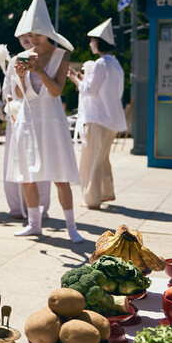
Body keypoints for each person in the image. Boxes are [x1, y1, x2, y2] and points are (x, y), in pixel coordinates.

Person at [6, 0, 83, 242]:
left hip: (51, 120)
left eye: (36, 35)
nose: (32, 40)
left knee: (60, 175)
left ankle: (71, 226)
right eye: (29, 35)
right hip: (29, 119)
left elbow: (56, 90)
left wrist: (39, 70)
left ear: (47, 33)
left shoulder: (61, 56)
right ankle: (34, 223)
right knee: (27, 175)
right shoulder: (22, 57)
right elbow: (21, 94)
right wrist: (20, 75)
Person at [68, 18, 128, 209]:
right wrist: (84, 80)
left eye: (92, 40)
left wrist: (75, 80)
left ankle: (92, 199)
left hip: (97, 118)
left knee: (91, 159)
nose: (90, 44)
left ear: (99, 42)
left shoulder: (101, 64)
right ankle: (106, 193)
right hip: (111, 118)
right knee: (102, 157)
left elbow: (89, 90)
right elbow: (106, 90)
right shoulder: (115, 64)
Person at [2, 13, 51, 220]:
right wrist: (11, 107)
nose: (25, 39)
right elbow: (8, 90)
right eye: (22, 36)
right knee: (15, 162)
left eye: (28, 35)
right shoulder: (14, 60)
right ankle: (16, 207)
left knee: (41, 161)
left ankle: (40, 208)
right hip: (17, 117)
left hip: (37, 116)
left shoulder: (43, 58)